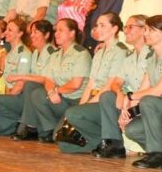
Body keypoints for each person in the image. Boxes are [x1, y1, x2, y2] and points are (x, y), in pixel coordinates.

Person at [61, 14, 145, 155]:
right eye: (97, 25)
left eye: (102, 25)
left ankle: (112, 141)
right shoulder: (99, 53)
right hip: (94, 99)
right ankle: (102, 141)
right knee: (64, 143)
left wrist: (85, 106)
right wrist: (82, 104)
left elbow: (109, 85)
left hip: (106, 102)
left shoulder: (120, 51)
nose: (97, 29)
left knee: (73, 115)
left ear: (114, 29)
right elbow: (90, 84)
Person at [123, 15, 162, 168]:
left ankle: (156, 153)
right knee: (131, 129)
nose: (146, 34)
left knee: (149, 100)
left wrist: (131, 96)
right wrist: (126, 110)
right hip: (154, 108)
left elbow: (158, 91)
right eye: (145, 30)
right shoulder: (151, 56)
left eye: (151, 30)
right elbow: (144, 88)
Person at [14, 18, 91, 142]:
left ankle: (53, 129)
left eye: (61, 30)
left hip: (74, 101)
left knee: (59, 137)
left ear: (72, 33)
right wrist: (51, 92)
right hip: (59, 99)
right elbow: (49, 79)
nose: (56, 34)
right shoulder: (55, 55)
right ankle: (48, 129)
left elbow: (76, 84)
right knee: (37, 93)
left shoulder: (81, 54)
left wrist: (57, 91)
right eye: (56, 30)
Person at [0, 20, 55, 138]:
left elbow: (44, 79)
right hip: (29, 94)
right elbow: (2, 76)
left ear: (46, 35)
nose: (32, 35)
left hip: (45, 92)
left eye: (36, 32)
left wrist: (20, 78)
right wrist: (0, 66)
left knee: (29, 86)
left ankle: (27, 125)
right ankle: (19, 123)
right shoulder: (35, 52)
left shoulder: (50, 53)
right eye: (31, 32)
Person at [0, 18, 34, 136]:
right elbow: (4, 79)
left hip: (20, 97)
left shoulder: (24, 54)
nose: (6, 33)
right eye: (6, 30)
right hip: (11, 95)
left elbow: (20, 84)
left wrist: (6, 100)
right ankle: (12, 121)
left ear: (20, 33)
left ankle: (19, 119)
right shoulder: (10, 53)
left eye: (10, 30)